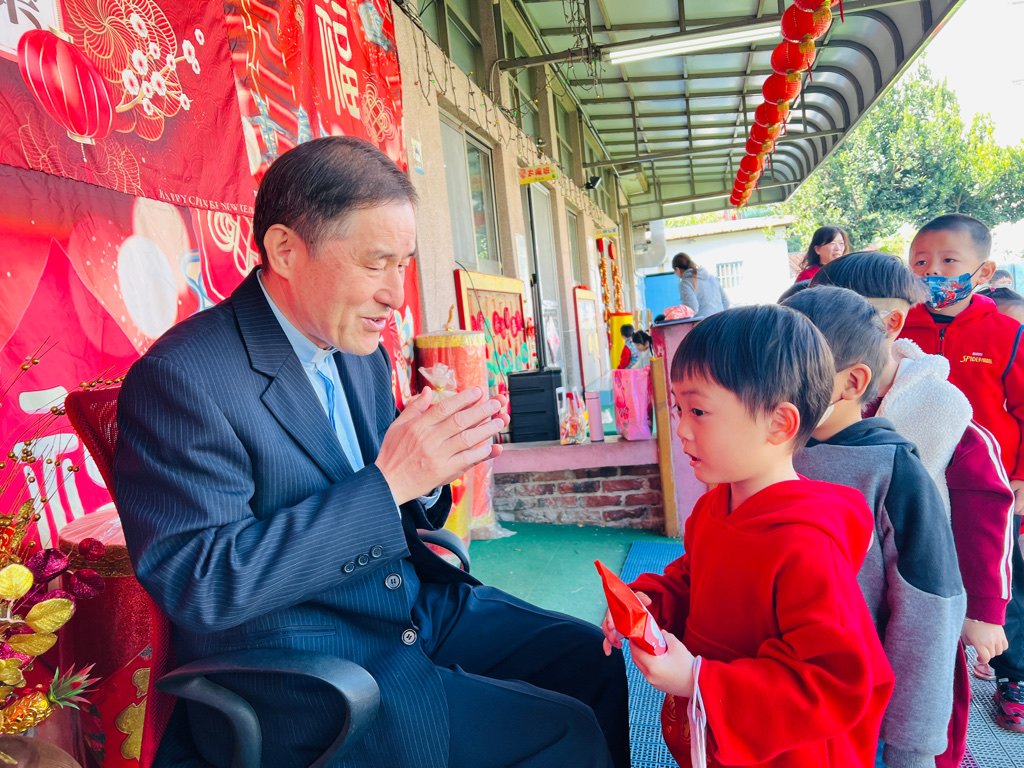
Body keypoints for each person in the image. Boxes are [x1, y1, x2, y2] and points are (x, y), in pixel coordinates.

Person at [113, 137, 630, 768]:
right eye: (376, 263)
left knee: (594, 658)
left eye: (403, 264)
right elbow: (203, 582)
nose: (395, 294)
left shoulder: (362, 355)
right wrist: (392, 482)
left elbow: (397, 497)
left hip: (407, 606)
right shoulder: (183, 378)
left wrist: (434, 466)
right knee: (568, 733)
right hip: (306, 668)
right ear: (285, 250)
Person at [603, 304, 894, 767]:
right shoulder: (714, 507)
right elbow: (693, 579)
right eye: (679, 408)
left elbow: (830, 683)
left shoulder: (806, 545)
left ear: (779, 423)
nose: (681, 429)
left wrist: (696, 679)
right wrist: (649, 603)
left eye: (699, 410)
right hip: (713, 736)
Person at [784, 286, 970, 768]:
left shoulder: (894, 474)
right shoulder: (769, 455)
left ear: (852, 382)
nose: (769, 388)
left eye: (789, 373)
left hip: (866, 722)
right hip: (782, 699)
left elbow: (930, 613)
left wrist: (910, 745)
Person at [900, 213, 1024, 734]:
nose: (932, 272)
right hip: (917, 480)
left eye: (948, 261)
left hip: (990, 488)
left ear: (983, 271)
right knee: (922, 574)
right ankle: (930, 672)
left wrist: (1021, 478)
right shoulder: (898, 327)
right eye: (920, 262)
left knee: (999, 579)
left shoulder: (1007, 334)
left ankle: (1013, 675)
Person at [671, 252, 729, 319]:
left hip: (704, 323)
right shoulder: (712, 277)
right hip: (721, 321)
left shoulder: (686, 282)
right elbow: (725, 302)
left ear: (677, 269)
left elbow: (692, 308)